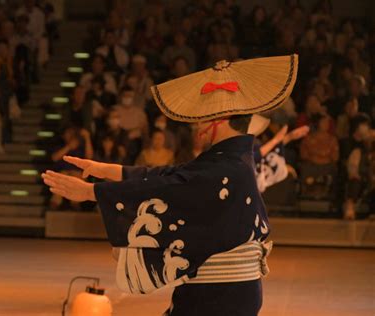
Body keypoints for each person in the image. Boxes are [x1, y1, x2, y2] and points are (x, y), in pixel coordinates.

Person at [43, 55, 298, 315]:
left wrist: (92, 192)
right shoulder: (229, 158)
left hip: (222, 294)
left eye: (203, 116)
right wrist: (109, 171)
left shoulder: (228, 166)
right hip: (223, 291)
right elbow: (174, 174)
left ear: (221, 118)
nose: (197, 124)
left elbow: (172, 188)